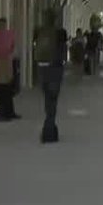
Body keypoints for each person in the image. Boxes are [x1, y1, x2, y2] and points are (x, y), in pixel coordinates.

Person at [34, 11, 69, 143]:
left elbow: (35, 48)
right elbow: (64, 51)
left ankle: (49, 126)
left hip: (42, 68)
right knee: (53, 99)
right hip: (55, 68)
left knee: (47, 98)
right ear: (55, 20)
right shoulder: (61, 33)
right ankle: (49, 129)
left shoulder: (38, 31)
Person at [0, 17, 19, 121]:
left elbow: (13, 45)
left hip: (7, 61)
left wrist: (9, 53)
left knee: (8, 88)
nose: (2, 26)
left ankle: (9, 112)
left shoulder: (9, 34)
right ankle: (0, 114)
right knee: (0, 89)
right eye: (0, 24)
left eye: (3, 24)